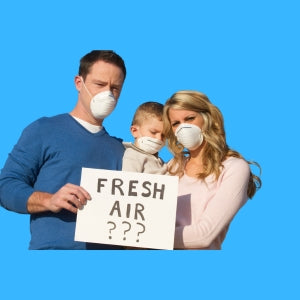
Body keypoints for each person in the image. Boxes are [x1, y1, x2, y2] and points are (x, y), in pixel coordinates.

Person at [0, 50, 127, 250]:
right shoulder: (44, 130)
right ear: (79, 83)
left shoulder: (122, 150)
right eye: (100, 84)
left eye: (115, 88)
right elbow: (5, 186)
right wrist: (49, 200)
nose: (108, 94)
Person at [163, 90, 262, 250]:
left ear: (208, 119)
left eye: (190, 118)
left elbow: (204, 235)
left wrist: (146, 236)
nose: (183, 128)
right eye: (176, 123)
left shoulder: (233, 168)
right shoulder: (173, 166)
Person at [122, 101, 167, 174]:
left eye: (164, 135)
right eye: (153, 132)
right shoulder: (132, 156)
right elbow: (129, 182)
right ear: (135, 131)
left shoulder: (159, 161)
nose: (159, 138)